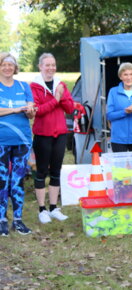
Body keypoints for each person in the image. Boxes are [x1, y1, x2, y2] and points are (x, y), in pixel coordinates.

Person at [31, 53, 75, 224]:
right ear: (40, 66)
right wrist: (56, 99)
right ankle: (42, 209)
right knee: (41, 171)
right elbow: (38, 111)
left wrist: (61, 97)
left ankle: (53, 207)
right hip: (42, 134)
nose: (51, 68)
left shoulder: (61, 84)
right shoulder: (34, 86)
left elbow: (70, 108)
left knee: (56, 171)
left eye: (53, 65)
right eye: (47, 65)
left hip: (60, 133)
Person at [0, 52, 36, 236]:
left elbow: (31, 112)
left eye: (11, 65)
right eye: (4, 64)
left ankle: (18, 220)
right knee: (2, 181)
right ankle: (2, 220)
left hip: (22, 140)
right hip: (1, 141)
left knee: (18, 180)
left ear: (15, 68)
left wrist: (30, 111)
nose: (7, 68)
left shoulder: (24, 86)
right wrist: (15, 109)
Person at [106, 62, 132, 153]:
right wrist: (124, 112)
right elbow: (109, 115)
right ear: (120, 77)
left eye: (131, 74)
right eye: (125, 75)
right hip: (118, 139)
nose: (129, 78)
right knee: (120, 167)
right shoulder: (113, 92)